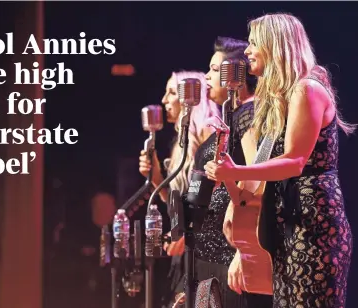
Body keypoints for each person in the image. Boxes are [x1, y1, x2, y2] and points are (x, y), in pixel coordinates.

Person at [204, 14, 354, 308]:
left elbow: (296, 161)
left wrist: (237, 170)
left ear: (276, 45)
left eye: (253, 43)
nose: (246, 51)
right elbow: (259, 180)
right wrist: (230, 177)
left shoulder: (306, 89)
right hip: (289, 223)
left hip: (313, 225)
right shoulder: (280, 99)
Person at [177, 36, 271, 308]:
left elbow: (257, 182)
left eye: (216, 70)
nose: (207, 77)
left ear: (237, 75)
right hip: (211, 250)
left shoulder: (249, 114)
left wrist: (245, 249)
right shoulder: (232, 116)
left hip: (228, 252)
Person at [139, 70, 219, 307]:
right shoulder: (181, 143)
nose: (164, 100)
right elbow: (177, 204)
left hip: (204, 246)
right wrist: (155, 178)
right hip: (185, 246)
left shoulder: (209, 132)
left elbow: (215, 193)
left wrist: (188, 235)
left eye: (172, 92)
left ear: (190, 97)